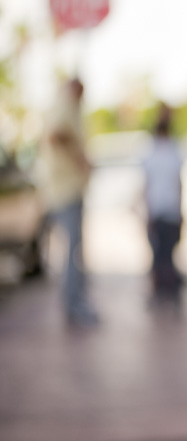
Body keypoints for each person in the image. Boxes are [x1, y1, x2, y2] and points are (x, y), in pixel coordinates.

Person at [36, 77, 98, 326]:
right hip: (65, 191)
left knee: (73, 251)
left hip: (65, 189)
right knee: (72, 253)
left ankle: (76, 303)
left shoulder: (62, 105)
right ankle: (74, 306)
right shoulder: (64, 105)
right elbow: (56, 135)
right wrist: (79, 158)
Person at [142, 104, 183, 296]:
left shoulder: (152, 153)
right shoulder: (173, 152)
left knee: (160, 253)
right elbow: (178, 183)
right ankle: (168, 288)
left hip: (159, 209)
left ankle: (163, 288)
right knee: (166, 253)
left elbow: (147, 185)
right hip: (170, 209)